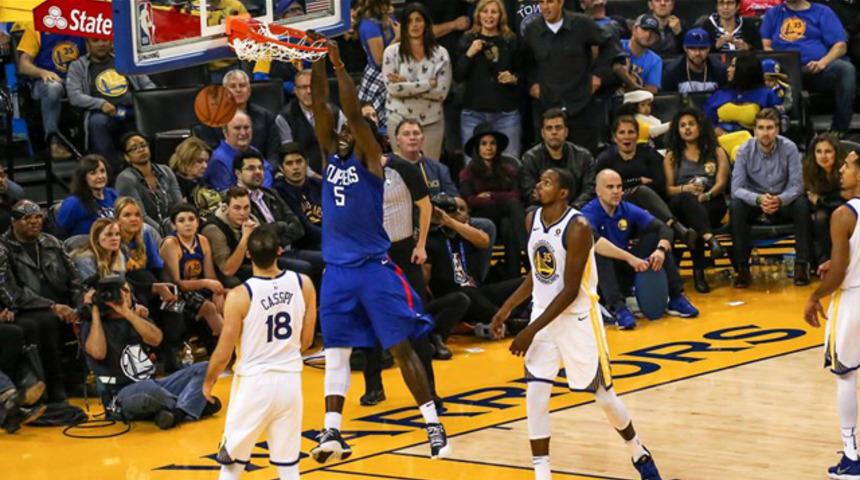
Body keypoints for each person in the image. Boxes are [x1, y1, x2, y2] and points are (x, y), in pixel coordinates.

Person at [309, 38, 451, 462]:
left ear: (365, 138)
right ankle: (331, 433)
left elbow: (351, 112)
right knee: (336, 353)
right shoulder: (331, 157)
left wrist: (338, 67)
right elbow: (321, 106)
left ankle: (432, 424)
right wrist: (316, 59)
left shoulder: (373, 163)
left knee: (401, 346)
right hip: (337, 273)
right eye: (338, 133)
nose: (340, 135)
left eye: (349, 133)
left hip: (373, 269)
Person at [490, 167, 663, 480]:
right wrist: (506, 308)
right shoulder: (532, 220)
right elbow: (537, 274)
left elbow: (569, 291)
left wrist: (529, 331)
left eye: (547, 182)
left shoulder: (578, 226)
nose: (539, 185)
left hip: (578, 319)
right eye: (541, 180)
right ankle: (542, 475)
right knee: (536, 395)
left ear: (563, 192)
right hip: (543, 314)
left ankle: (638, 451)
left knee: (605, 398)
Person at [78, 218, 221, 428]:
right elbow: (97, 353)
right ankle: (191, 405)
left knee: (205, 367)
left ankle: (178, 412)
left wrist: (128, 313)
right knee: (150, 392)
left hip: (153, 383)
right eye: (119, 292)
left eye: (125, 291)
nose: (121, 296)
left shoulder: (134, 313)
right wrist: (97, 312)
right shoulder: (94, 320)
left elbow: (156, 339)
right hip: (120, 394)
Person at [203, 226, 316, 480]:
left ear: (248, 256)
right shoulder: (304, 283)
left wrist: (209, 382)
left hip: (254, 384)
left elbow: (223, 351)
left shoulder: (240, 295)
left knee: (231, 464)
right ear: (279, 251)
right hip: (290, 382)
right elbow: (306, 341)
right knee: (289, 467)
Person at [803, 149, 860, 479]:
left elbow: (838, 273)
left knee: (846, 377)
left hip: (852, 300)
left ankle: (851, 458)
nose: (840, 170)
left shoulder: (843, 214)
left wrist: (814, 296)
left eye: (848, 166)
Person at [583, 169, 698, 329]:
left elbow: (663, 228)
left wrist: (661, 250)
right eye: (610, 187)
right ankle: (617, 307)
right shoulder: (588, 213)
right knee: (600, 254)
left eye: (619, 187)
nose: (616, 191)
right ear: (598, 191)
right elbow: (596, 243)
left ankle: (676, 297)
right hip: (600, 278)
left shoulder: (626, 208)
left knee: (656, 239)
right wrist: (631, 258)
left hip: (624, 267)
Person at [521, 0, 620, 154]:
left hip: (581, 104)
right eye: (541, 2)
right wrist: (532, 84)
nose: (545, 7)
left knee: (584, 157)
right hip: (548, 104)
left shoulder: (582, 23)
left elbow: (609, 44)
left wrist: (599, 76)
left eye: (550, 2)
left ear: (561, 3)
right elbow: (525, 62)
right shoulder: (532, 30)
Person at [730, 108, 811, 287]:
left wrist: (780, 199)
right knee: (736, 206)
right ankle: (742, 268)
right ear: (754, 131)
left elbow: (797, 186)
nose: (765, 133)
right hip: (755, 203)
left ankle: (801, 265)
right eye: (761, 128)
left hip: (783, 201)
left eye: (770, 128)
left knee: (802, 204)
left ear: (777, 130)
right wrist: (759, 199)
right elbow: (736, 189)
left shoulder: (789, 148)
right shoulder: (744, 150)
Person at [596, 116, 697, 247]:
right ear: (615, 137)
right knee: (641, 191)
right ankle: (677, 228)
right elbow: (602, 188)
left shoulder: (649, 154)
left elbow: (660, 184)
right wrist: (638, 181)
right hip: (618, 206)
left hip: (651, 207)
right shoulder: (606, 159)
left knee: (657, 222)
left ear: (637, 135)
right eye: (622, 132)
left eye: (631, 132)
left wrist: (628, 185)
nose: (626, 136)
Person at [761, 0, 856, 133]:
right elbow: (766, 46)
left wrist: (822, 62)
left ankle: (838, 130)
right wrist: (779, 65)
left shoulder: (823, 12)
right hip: (785, 71)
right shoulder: (773, 13)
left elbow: (840, 46)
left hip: (817, 70)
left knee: (846, 69)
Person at [663, 108, 730, 293]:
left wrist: (705, 195)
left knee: (695, 224)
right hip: (681, 202)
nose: (687, 129)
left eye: (691, 124)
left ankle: (700, 271)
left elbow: (722, 183)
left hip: (711, 201)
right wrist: (686, 189)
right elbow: (668, 190)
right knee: (688, 202)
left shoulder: (717, 151)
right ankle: (709, 242)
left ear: (700, 127)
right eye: (682, 125)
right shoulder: (671, 156)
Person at [66, 38, 156, 174]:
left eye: (105, 41)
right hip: (102, 113)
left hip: (129, 110)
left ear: (111, 43)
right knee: (97, 122)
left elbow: (148, 85)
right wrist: (100, 104)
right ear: (87, 45)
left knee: (150, 114)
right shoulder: (78, 66)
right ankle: (112, 172)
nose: (101, 44)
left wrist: (148, 98)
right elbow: (74, 96)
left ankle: (150, 169)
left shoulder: (125, 60)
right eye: (95, 41)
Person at [382, 3, 452, 161]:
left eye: (419, 20)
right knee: (404, 174)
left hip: (431, 121)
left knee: (429, 174)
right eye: (409, 21)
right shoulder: (391, 52)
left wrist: (406, 84)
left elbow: (441, 93)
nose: (414, 25)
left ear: (426, 24)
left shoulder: (441, 53)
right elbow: (393, 89)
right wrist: (428, 84)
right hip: (399, 120)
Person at [455, 0, 522, 160]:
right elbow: (458, 75)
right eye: (485, 11)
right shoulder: (467, 39)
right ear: (478, 14)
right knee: (472, 167)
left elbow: (524, 73)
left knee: (510, 165)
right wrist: (469, 54)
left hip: (506, 114)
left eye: (494, 12)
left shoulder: (510, 40)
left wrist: (513, 78)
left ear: (501, 16)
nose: (489, 16)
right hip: (473, 114)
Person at [459, 124, 526, 280]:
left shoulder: (508, 169)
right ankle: (528, 250)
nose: (489, 148)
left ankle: (513, 278)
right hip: (482, 217)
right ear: (477, 147)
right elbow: (469, 201)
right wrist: (502, 197)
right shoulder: (467, 172)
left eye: (492, 143)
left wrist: (491, 196)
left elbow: (517, 194)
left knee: (508, 225)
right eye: (484, 144)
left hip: (505, 216)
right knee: (512, 206)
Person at [15, 24, 86, 159]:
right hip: (44, 83)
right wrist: (42, 72)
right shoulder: (35, 27)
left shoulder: (81, 22)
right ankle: (54, 142)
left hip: (76, 81)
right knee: (53, 87)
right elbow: (23, 65)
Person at [160, 204, 225, 339]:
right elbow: (177, 283)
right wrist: (207, 283)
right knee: (209, 307)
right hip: (177, 292)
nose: (187, 224)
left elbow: (211, 275)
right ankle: (229, 345)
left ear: (198, 222)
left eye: (191, 219)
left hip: (200, 286)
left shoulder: (202, 240)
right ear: (173, 225)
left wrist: (217, 292)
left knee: (231, 296)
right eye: (181, 220)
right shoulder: (171, 244)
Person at [197, 70, 281, 166]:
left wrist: (266, 172)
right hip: (225, 172)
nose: (238, 90)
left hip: (262, 172)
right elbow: (211, 155)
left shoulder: (266, 117)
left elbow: (273, 154)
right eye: (233, 86)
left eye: (242, 86)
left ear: (249, 90)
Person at [275, 70, 347, 176]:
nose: (309, 91)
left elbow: (346, 146)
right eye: (303, 87)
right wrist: (316, 177)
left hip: (337, 173)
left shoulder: (335, 113)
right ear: (295, 90)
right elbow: (290, 156)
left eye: (312, 86)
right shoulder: (284, 118)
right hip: (303, 178)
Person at [520, 109, 596, 209]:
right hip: (544, 209)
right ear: (543, 133)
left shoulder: (584, 156)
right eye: (549, 128)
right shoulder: (530, 158)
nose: (554, 132)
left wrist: (571, 209)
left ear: (566, 132)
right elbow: (530, 193)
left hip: (577, 210)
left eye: (558, 128)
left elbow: (589, 189)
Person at [115, 132, 183, 234]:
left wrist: (180, 223)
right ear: (127, 157)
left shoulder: (166, 171)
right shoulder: (125, 179)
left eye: (143, 145)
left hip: (173, 226)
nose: (141, 150)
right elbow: (140, 216)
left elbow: (180, 205)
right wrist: (164, 232)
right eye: (134, 148)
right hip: (147, 231)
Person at [704, 52, 782, 134]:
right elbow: (705, 121)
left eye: (733, 66)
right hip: (720, 141)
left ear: (745, 69)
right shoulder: (720, 93)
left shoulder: (767, 95)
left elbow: (774, 125)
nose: (728, 69)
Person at [201, 187, 263, 288]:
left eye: (246, 207)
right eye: (237, 208)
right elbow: (227, 270)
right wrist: (245, 237)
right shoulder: (213, 229)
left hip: (247, 266)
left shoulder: (252, 220)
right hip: (223, 274)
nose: (243, 213)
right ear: (226, 208)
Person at [803, 132, 847, 267]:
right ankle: (824, 260)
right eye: (818, 151)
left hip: (845, 209)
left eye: (828, 151)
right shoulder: (808, 169)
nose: (823, 156)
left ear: (836, 153)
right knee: (820, 217)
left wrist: (822, 200)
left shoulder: (845, 169)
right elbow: (809, 197)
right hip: (820, 212)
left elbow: (845, 197)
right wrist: (824, 201)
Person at [204, 111, 276, 192]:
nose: (243, 133)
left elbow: (268, 176)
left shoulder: (253, 151)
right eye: (237, 128)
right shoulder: (217, 160)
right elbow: (230, 196)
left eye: (246, 127)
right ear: (225, 132)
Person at [356, 0, 399, 134]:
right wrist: (398, 37)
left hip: (394, 74)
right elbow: (380, 60)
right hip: (377, 77)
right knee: (374, 126)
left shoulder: (390, 16)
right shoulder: (369, 25)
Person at [273, 143, 323, 251]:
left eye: (299, 161)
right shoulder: (280, 191)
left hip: (328, 236)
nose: (295, 167)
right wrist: (332, 238)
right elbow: (303, 227)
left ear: (307, 163)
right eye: (289, 163)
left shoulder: (318, 184)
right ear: (281, 168)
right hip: (304, 244)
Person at [56, 155, 119, 238]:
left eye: (102, 171)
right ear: (83, 177)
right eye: (93, 173)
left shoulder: (113, 194)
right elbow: (59, 234)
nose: (100, 176)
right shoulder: (74, 203)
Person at [662, 28, 728, 94]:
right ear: (685, 48)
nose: (697, 53)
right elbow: (668, 102)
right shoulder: (671, 72)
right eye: (692, 48)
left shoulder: (720, 70)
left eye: (702, 48)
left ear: (709, 48)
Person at [169, 137, 219, 208]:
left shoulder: (202, 184)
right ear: (186, 159)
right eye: (199, 161)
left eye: (206, 161)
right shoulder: (171, 183)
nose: (205, 166)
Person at [622, 14, 663, 94]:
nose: (648, 35)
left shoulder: (655, 60)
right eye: (645, 29)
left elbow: (652, 90)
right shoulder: (617, 46)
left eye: (653, 32)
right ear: (634, 29)